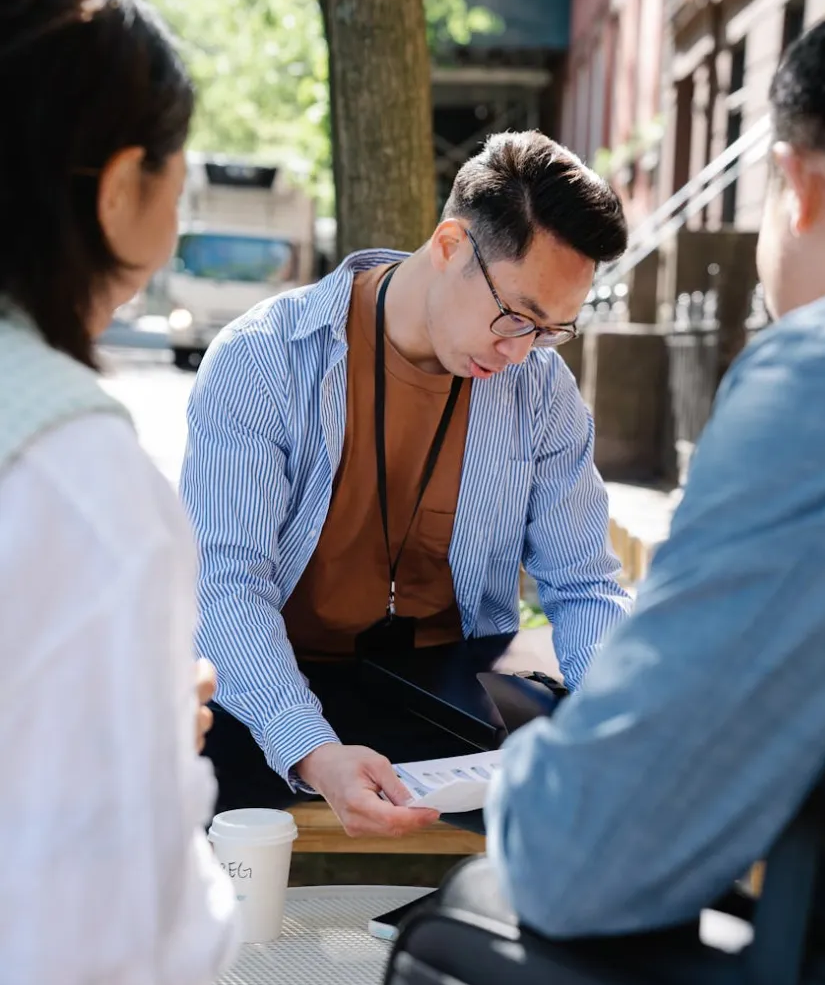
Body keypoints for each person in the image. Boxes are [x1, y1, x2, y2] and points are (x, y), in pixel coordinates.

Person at [0, 0, 335, 985]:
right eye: (177, 166)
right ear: (118, 183)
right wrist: (153, 745)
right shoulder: (81, 479)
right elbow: (103, 967)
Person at [485, 2, 825, 939]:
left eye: (547, 328)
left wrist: (533, 761)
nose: (527, 349)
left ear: (794, 184)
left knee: (475, 945)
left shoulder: (820, 383)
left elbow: (579, 857)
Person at [181, 132, 632, 835]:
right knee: (208, 823)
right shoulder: (262, 360)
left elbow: (583, 585)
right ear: (450, 245)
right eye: (514, 315)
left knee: (586, 806)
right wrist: (311, 748)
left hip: (439, 686)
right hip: (266, 680)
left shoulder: (541, 391)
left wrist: (619, 713)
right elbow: (224, 584)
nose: (519, 353)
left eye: (550, 331)